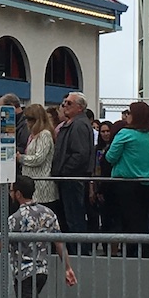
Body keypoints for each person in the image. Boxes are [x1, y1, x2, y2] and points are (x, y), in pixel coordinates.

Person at [103, 101, 149, 251]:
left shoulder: (125, 134)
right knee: (145, 220)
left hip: (128, 184)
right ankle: (147, 253)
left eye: (129, 113)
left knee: (130, 222)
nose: (127, 116)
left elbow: (110, 157)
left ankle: (133, 255)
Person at [52, 91, 96, 240]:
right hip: (68, 178)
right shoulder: (71, 124)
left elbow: (80, 154)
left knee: (75, 219)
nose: (65, 105)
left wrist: (64, 171)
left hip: (73, 179)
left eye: (69, 103)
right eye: (64, 102)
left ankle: (79, 250)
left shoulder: (79, 125)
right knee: (70, 218)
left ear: (80, 107)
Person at [17, 103, 58, 212]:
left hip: (42, 186)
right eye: (26, 118)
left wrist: (21, 158)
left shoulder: (45, 135)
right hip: (32, 184)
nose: (27, 122)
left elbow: (39, 158)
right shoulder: (32, 136)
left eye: (30, 119)